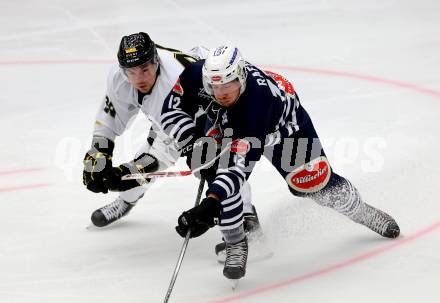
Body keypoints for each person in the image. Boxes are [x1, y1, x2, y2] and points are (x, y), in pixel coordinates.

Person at [160, 46, 400, 280]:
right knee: (212, 167)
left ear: (241, 78)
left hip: (284, 129)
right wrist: (191, 142)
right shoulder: (195, 75)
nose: (221, 92)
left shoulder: (258, 103)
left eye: (228, 85)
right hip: (231, 124)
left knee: (313, 183)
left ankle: (361, 211)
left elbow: (237, 169)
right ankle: (237, 241)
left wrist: (211, 205)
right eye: (214, 86)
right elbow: (170, 111)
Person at [82, 32, 262, 251]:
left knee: (222, 166)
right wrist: (97, 159)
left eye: (145, 69)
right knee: (140, 165)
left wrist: (131, 173)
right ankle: (126, 201)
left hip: (212, 109)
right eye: (131, 71)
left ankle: (246, 217)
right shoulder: (119, 80)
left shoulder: (175, 80)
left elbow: (165, 151)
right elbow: (108, 121)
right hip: (170, 117)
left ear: (156, 62)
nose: (139, 78)